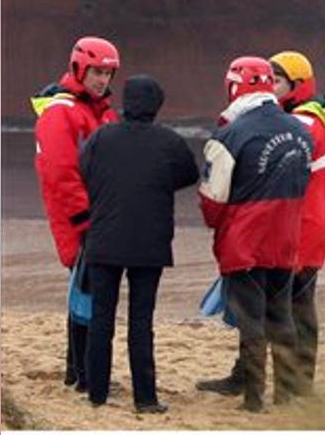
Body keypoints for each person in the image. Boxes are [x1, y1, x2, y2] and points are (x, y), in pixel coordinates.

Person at [198, 49, 325, 398]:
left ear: (298, 85)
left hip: (298, 225)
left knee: (294, 310)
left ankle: (295, 383)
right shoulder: (308, 121)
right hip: (297, 222)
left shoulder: (303, 124)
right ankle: (254, 376)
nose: (269, 87)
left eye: (276, 81)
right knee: (273, 308)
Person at [76, 74, 200, 414]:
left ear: (126, 103)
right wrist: (155, 183)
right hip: (149, 244)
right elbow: (190, 174)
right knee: (140, 321)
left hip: (103, 240)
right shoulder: (169, 141)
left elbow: (83, 169)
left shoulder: (101, 138)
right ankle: (145, 398)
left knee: (102, 318)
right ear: (156, 106)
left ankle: (97, 394)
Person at [31, 36, 120, 391]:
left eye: (108, 74)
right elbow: (60, 175)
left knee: (87, 292)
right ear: (79, 68)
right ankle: (83, 374)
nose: (103, 80)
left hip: (99, 218)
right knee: (87, 294)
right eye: (97, 72)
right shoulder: (60, 113)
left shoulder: (102, 112)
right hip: (81, 221)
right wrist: (83, 221)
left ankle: (75, 370)